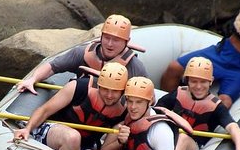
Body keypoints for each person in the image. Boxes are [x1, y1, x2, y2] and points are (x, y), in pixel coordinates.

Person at [12, 63, 128, 150]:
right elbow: (45, 110)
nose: (109, 95)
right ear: (98, 86)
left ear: (122, 92)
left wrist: (120, 141)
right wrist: (27, 129)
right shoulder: (79, 87)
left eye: (115, 91)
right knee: (73, 138)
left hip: (85, 145)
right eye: (105, 89)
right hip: (54, 130)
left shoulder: (123, 112)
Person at [16, 14, 147, 94]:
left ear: (127, 41)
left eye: (116, 40)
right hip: (81, 104)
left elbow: (146, 98)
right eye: (107, 38)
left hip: (111, 116)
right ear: (101, 36)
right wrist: (33, 79)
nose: (110, 44)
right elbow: (52, 66)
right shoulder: (82, 53)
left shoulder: (134, 66)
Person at [157, 57, 240, 150]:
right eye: (194, 81)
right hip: (171, 139)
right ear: (187, 81)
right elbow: (157, 110)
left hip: (193, 148)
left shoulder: (216, 106)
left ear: (211, 81)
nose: (198, 86)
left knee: (183, 138)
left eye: (203, 82)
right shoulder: (178, 94)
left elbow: (233, 127)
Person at [96, 77, 180, 150]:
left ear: (149, 101)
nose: (132, 107)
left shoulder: (160, 130)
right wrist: (120, 142)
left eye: (139, 102)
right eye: (130, 101)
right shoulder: (127, 118)